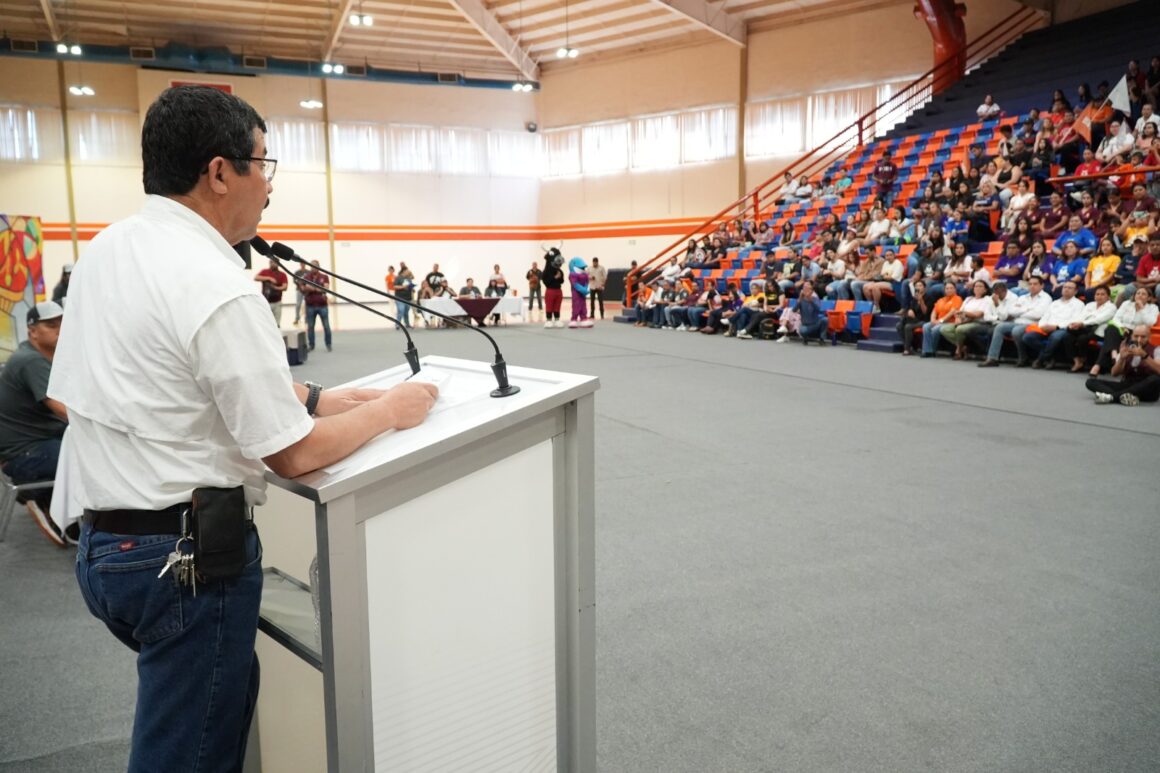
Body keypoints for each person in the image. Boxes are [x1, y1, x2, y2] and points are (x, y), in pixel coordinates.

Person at [47, 85, 437, 773]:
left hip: (105, 548)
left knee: (211, 711)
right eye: (265, 164)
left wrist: (323, 396)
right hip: (184, 561)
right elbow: (292, 453)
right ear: (220, 172)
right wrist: (389, 411)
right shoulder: (215, 283)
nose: (269, 188)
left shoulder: (109, 251)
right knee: (190, 752)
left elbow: (162, 384)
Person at [0, 301, 69, 546]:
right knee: (91, 454)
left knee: (85, 445)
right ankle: (39, 496)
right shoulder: (31, 361)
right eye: (51, 325)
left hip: (35, 443)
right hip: (24, 455)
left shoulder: (44, 356)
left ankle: (51, 500)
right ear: (32, 331)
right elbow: (63, 410)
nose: (60, 329)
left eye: (62, 323)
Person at [978, 275, 1051, 366]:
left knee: (1016, 331)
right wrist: (1027, 310)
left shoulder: (1046, 298)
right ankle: (993, 358)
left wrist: (1020, 311)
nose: (1032, 286)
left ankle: (1023, 357)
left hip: (1033, 324)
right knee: (1000, 327)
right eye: (1030, 284)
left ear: (1042, 286)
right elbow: (1011, 311)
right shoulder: (1023, 297)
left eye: (1035, 284)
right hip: (1017, 322)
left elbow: (1038, 314)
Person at [1085, 324, 1160, 405]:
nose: (1139, 340)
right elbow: (1114, 373)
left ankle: (1112, 397)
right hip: (1128, 384)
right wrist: (1121, 359)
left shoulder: (1156, 350)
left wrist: (1144, 356)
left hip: (1147, 388)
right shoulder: (1125, 349)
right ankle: (1126, 396)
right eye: (1136, 336)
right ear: (1131, 336)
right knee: (1090, 382)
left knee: (1155, 379)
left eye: (1143, 337)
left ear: (1149, 337)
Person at [1091, 287, 1159, 376]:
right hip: (1123, 329)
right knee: (1110, 328)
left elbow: (1151, 323)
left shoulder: (1153, 308)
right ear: (1134, 295)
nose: (1140, 295)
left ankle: (1098, 365)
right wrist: (1122, 327)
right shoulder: (1127, 304)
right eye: (1138, 293)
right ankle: (1114, 355)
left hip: (1137, 334)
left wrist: (1142, 309)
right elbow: (1116, 318)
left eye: (1143, 294)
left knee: (1108, 339)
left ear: (1149, 298)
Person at [1023, 280, 1087, 368]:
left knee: (1055, 337)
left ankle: (1041, 359)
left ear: (1075, 291)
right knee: (1028, 337)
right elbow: (1045, 317)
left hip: (1062, 329)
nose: (1066, 289)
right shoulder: (1054, 303)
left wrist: (1056, 327)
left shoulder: (1079, 304)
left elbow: (1074, 321)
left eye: (1070, 288)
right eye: (1065, 287)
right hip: (1046, 328)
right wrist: (1043, 326)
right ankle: (1049, 355)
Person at [1064, 285, 1117, 373]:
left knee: (1082, 338)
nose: (1099, 296)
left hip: (1099, 331)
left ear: (1108, 296)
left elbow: (1099, 320)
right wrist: (1075, 323)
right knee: (1067, 336)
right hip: (1085, 328)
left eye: (1102, 294)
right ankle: (1077, 361)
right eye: (1097, 294)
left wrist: (1082, 323)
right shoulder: (1090, 305)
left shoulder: (1111, 307)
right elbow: (1082, 316)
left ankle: (1083, 360)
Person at [939, 280, 994, 360]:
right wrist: (958, 319)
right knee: (944, 329)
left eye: (980, 286)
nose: (977, 288)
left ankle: (958, 350)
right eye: (976, 286)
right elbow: (959, 312)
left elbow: (977, 315)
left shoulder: (987, 299)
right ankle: (962, 347)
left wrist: (964, 314)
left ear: (985, 289)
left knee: (960, 329)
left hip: (978, 322)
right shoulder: (969, 299)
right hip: (964, 321)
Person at [921, 282, 963, 357]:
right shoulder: (941, 300)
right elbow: (934, 311)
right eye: (947, 288)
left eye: (951, 288)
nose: (949, 290)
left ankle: (932, 350)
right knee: (926, 326)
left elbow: (952, 312)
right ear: (944, 290)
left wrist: (940, 321)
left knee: (935, 329)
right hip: (939, 321)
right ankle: (927, 350)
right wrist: (932, 320)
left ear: (955, 290)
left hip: (950, 322)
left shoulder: (957, 299)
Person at [302, 259, 332, 351]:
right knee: (310, 327)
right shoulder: (306, 277)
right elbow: (303, 288)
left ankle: (328, 344)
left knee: (326, 326)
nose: (313, 267)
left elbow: (325, 289)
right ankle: (311, 345)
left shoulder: (324, 276)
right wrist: (318, 288)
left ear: (318, 267)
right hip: (310, 305)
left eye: (315, 265)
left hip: (322, 305)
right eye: (312, 265)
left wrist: (312, 288)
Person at [898, 279, 931, 355]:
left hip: (925, 320)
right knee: (899, 325)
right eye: (916, 286)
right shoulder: (914, 298)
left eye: (920, 285)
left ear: (925, 288)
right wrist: (910, 310)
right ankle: (911, 346)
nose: (918, 287)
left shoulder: (929, 297)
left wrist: (921, 300)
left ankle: (907, 349)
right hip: (915, 320)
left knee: (908, 327)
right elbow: (911, 308)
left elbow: (925, 312)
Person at [254, 257, 288, 325]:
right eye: (271, 262)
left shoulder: (282, 274)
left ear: (278, 264)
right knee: (266, 322)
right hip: (266, 302)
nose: (272, 264)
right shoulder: (265, 271)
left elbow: (285, 287)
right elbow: (256, 277)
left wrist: (275, 288)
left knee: (277, 323)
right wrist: (269, 278)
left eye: (274, 262)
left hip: (277, 302)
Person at [541, 256, 565, 328]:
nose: (560, 265)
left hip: (558, 290)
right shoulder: (547, 271)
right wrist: (555, 277)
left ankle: (557, 319)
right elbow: (546, 281)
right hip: (550, 290)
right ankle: (549, 320)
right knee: (549, 306)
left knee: (557, 305)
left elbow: (562, 281)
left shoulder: (560, 271)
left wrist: (560, 277)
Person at [394, 263, 414, 329]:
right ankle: (397, 324)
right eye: (407, 271)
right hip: (399, 298)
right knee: (401, 310)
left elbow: (410, 285)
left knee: (406, 312)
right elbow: (395, 286)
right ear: (404, 271)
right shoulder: (398, 278)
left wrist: (411, 287)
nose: (408, 272)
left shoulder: (409, 278)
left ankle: (407, 324)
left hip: (408, 298)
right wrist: (403, 287)